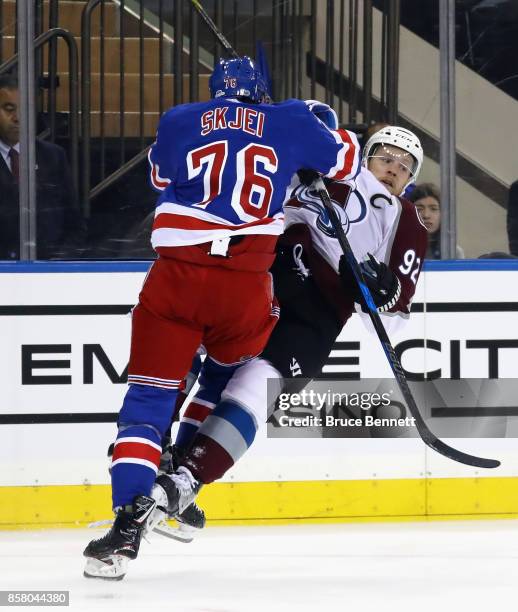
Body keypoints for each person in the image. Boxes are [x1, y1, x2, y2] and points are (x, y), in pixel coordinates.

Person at [83, 57, 360, 580]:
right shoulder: (291, 119)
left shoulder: (180, 118)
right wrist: (314, 115)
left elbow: (160, 175)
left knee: (147, 397)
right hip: (246, 284)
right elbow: (348, 160)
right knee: (221, 375)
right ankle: (181, 479)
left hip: (177, 277)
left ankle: (125, 526)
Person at [147, 124, 428, 538]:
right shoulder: (324, 167)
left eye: (405, 167)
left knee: (254, 392)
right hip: (265, 273)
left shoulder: (407, 222)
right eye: (386, 157)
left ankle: (187, 482)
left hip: (317, 314)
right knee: (192, 353)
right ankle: (158, 452)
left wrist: (381, 294)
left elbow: (393, 312)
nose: (392, 169)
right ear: (366, 156)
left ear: (411, 180)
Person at [0, 74, 85, 259]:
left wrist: (58, 263)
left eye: (24, 109)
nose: (17, 118)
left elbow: (74, 223)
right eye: (9, 109)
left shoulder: (53, 156)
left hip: (49, 270)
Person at [408, 182, 464, 259]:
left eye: (433, 209)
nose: (426, 215)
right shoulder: (398, 248)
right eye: (419, 209)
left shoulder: (452, 253)